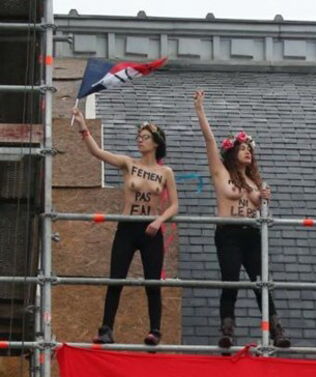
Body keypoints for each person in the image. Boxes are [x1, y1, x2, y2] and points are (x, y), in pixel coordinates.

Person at [72, 108, 178, 346]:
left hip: (151, 230)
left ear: (156, 143)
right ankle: (106, 329)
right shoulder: (128, 163)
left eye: (145, 137)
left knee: (152, 282)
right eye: (138, 137)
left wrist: (159, 220)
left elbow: (174, 206)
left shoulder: (165, 172)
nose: (140, 140)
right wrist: (82, 125)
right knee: (116, 278)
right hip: (127, 227)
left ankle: (155, 331)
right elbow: (97, 152)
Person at [193, 90, 289, 349]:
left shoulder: (254, 180)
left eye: (249, 149)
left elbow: (262, 211)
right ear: (233, 152)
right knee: (231, 280)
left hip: (252, 233)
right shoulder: (221, 172)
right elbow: (210, 142)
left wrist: (264, 196)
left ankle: (276, 329)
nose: (247, 151)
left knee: (262, 282)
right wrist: (201, 111)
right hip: (229, 232)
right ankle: (227, 329)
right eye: (243, 148)